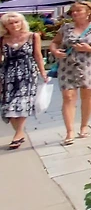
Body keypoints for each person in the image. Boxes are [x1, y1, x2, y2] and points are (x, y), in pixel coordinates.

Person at [50, 1, 91, 145]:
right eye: (73, 11)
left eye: (78, 10)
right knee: (68, 96)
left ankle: (84, 126)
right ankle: (69, 131)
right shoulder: (66, 27)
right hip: (67, 65)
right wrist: (55, 51)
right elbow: (55, 42)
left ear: (88, 12)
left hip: (88, 65)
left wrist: (89, 49)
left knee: (86, 95)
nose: (75, 13)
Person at [1, 12, 48, 150]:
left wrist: (43, 72)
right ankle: (20, 133)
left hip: (28, 73)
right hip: (7, 74)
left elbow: (38, 56)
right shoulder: (2, 39)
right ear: (5, 26)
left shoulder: (33, 36)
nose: (14, 25)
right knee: (8, 106)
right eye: (10, 23)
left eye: (17, 22)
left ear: (22, 23)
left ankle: (18, 133)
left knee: (21, 102)